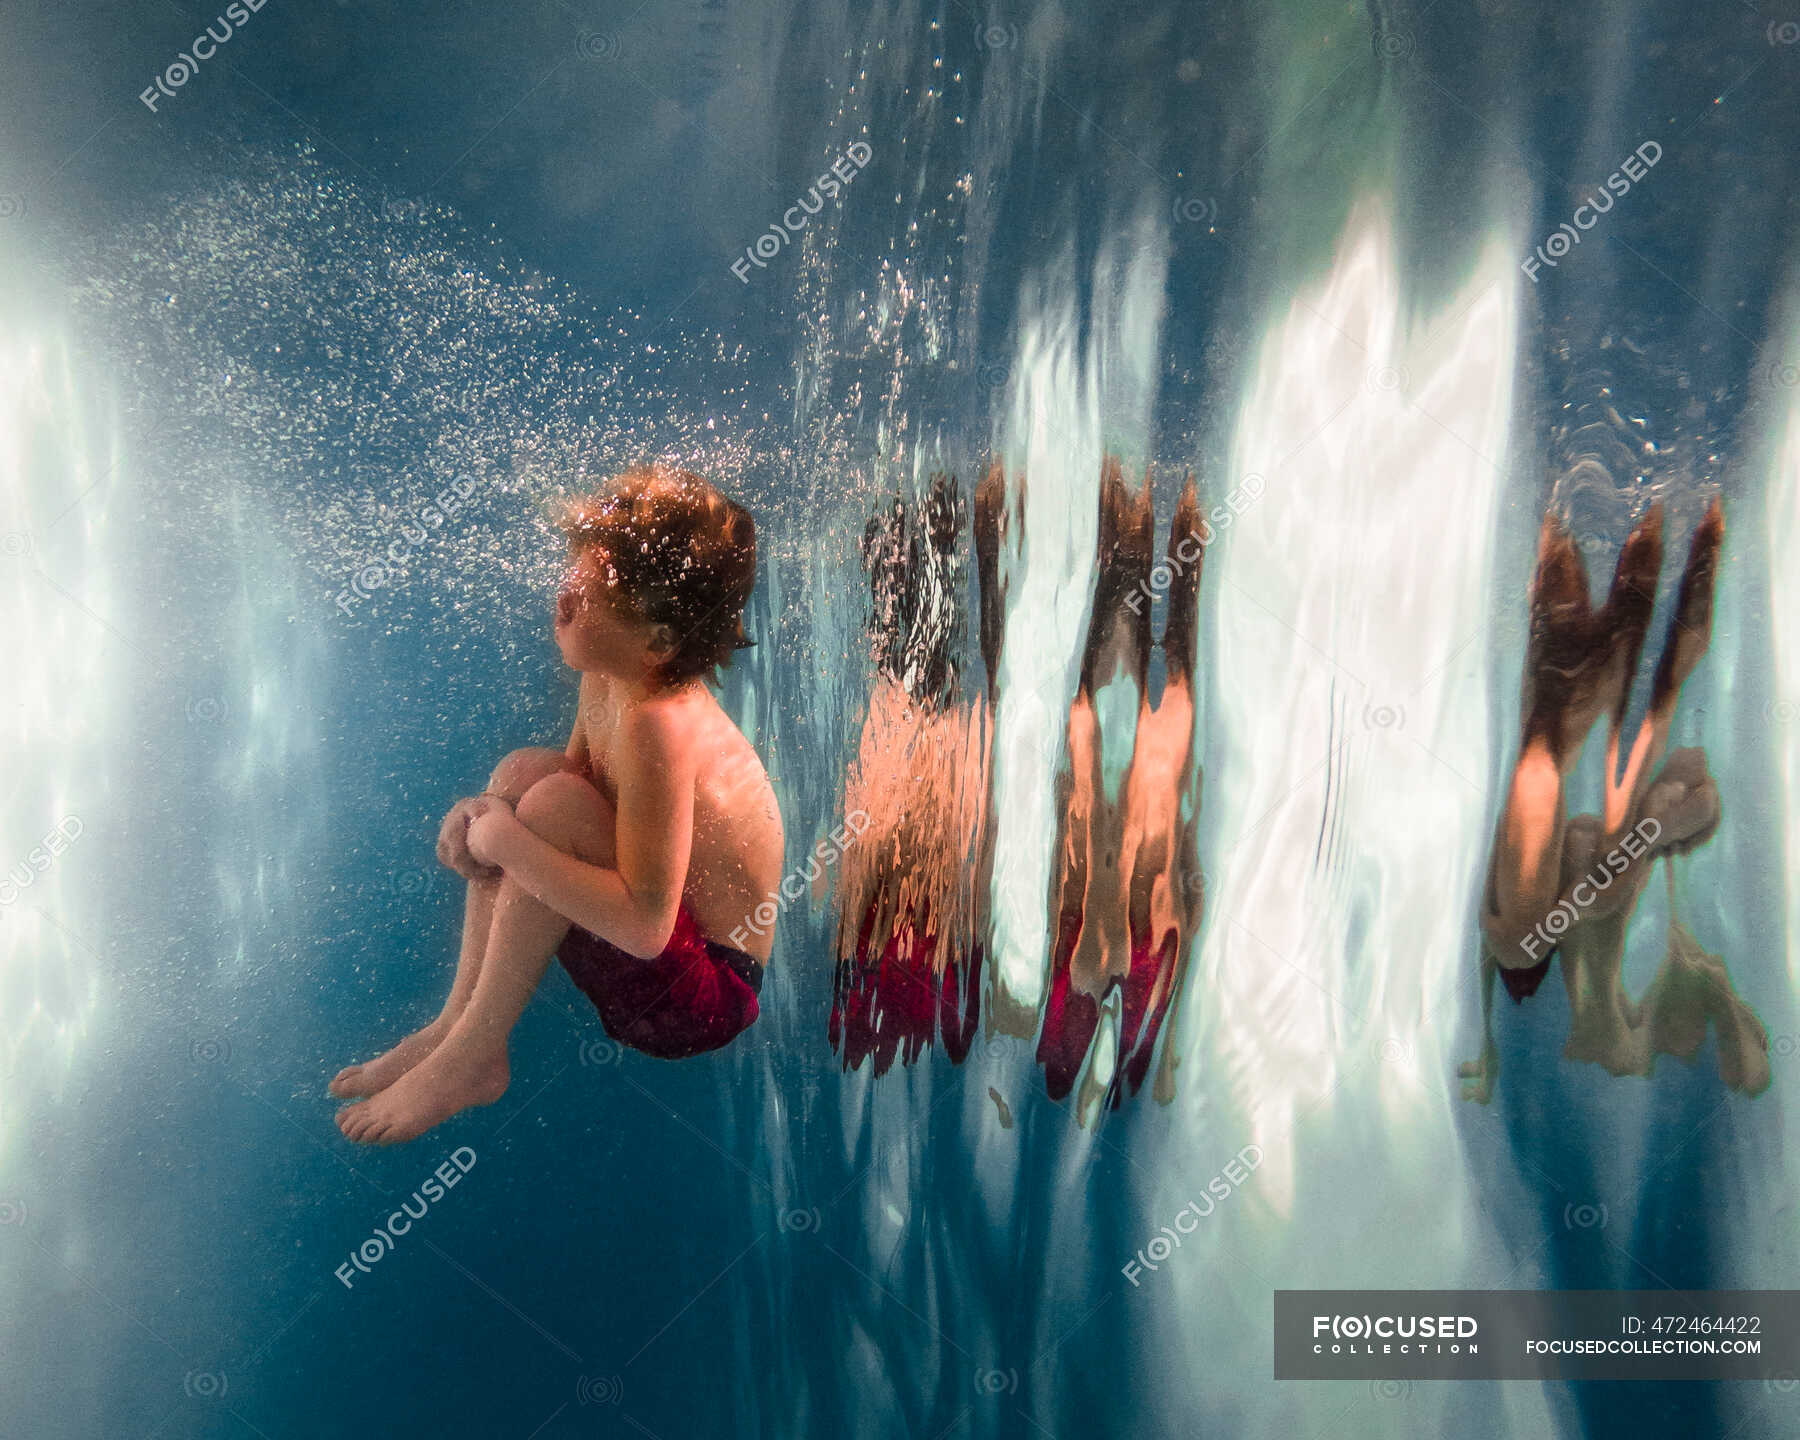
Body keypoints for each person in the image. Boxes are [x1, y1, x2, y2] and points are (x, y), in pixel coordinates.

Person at [332, 464, 783, 1145]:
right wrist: (481, 815)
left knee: (548, 810)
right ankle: (457, 1027)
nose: (562, 601)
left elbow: (643, 930)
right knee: (525, 776)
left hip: (704, 1001)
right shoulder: (610, 674)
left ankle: (474, 1053)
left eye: (587, 598)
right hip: (668, 960)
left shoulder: (658, 721)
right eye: (569, 580)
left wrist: (505, 843)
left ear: (659, 641)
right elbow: (557, 795)